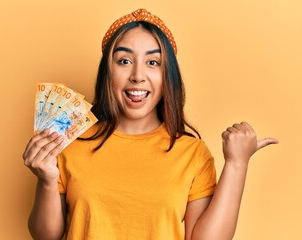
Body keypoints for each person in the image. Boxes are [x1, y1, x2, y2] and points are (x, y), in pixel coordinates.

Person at [22, 8, 278, 240]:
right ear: (106, 72)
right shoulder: (69, 141)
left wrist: (237, 163)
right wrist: (46, 180)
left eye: (153, 62)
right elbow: (47, 237)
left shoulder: (192, 154)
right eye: (124, 61)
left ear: (168, 77)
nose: (138, 76)